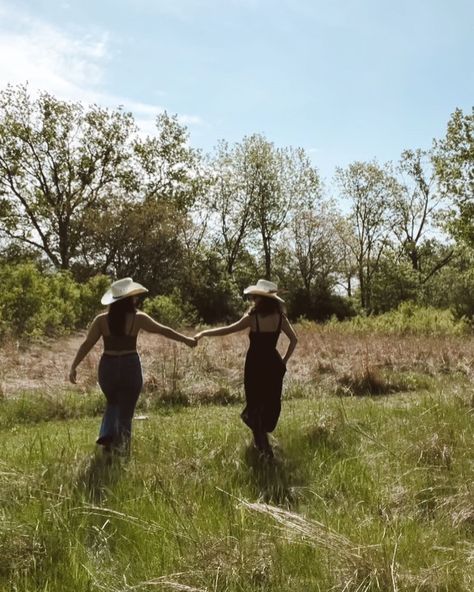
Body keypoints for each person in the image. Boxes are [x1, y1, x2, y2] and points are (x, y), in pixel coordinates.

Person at [69, 277, 196, 454]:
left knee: (113, 403)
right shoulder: (138, 318)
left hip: (108, 367)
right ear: (129, 299)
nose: (136, 299)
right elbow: (163, 330)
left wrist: (74, 366)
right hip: (130, 365)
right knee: (126, 412)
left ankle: (108, 437)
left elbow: (87, 343)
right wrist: (187, 340)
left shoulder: (101, 320)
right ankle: (121, 450)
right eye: (134, 296)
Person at [194, 279, 297, 458]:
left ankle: (263, 446)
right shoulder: (280, 318)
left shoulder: (253, 318)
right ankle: (262, 443)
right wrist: (284, 361)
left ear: (261, 299)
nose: (252, 300)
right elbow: (294, 340)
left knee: (255, 403)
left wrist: (204, 333)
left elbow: (227, 329)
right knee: (270, 401)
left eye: (255, 297)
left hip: (256, 364)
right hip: (273, 364)